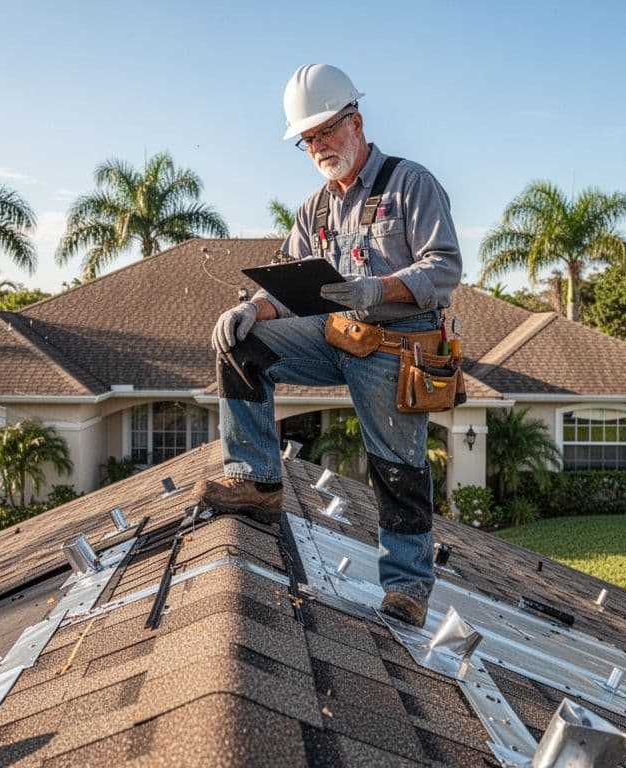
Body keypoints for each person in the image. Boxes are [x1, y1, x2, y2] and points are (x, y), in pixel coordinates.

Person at [193, 64, 462, 627]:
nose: (317, 146)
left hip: (397, 343)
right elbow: (292, 288)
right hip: (335, 333)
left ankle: (407, 586)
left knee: (396, 466)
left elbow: (443, 268)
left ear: (356, 122)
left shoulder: (409, 184)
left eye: (325, 133)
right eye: (307, 139)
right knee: (245, 345)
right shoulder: (314, 208)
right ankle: (258, 480)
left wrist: (378, 288)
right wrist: (253, 309)